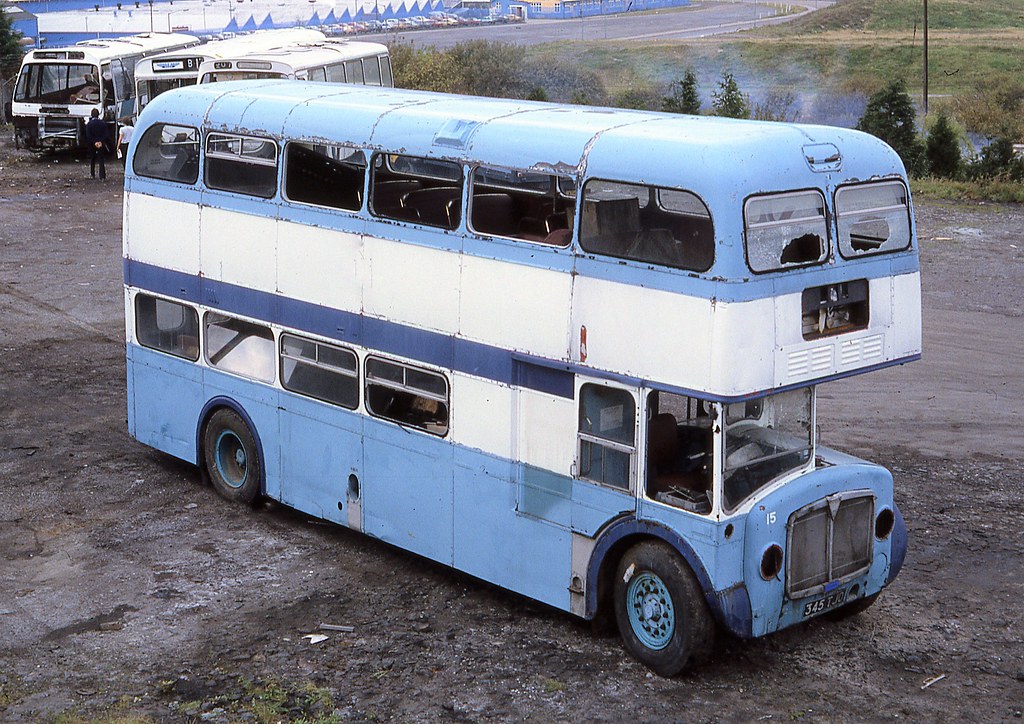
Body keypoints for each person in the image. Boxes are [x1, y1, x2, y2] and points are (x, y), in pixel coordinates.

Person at [85, 108, 108, 180]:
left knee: (92, 159)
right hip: (101, 143)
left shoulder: (89, 124)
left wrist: (94, 142)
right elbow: (106, 134)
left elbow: (88, 135)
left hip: (92, 144)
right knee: (101, 159)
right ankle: (102, 176)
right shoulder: (102, 123)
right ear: (98, 115)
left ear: (91, 115)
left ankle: (92, 174)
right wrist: (100, 141)